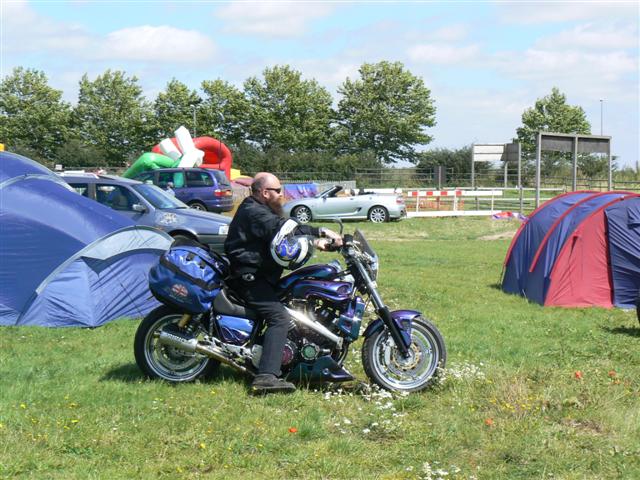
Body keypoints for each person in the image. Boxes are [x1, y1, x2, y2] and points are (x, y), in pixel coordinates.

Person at [224, 172, 342, 395]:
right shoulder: (254, 211)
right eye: (278, 190)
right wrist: (317, 236)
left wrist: (317, 237)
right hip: (249, 278)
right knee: (279, 318)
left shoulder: (262, 209)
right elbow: (281, 228)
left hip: (261, 275)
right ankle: (266, 377)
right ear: (264, 192)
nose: (282, 194)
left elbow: (284, 231)